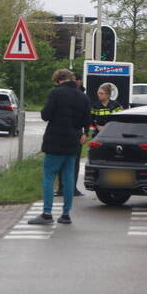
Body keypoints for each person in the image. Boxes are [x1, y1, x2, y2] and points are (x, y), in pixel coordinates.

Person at [30, 68, 91, 225]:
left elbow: (45, 115)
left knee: (49, 176)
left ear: (58, 80)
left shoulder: (56, 93)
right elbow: (86, 120)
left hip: (55, 141)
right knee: (69, 177)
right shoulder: (83, 97)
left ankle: (47, 213)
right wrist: (84, 134)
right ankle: (65, 215)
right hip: (73, 142)